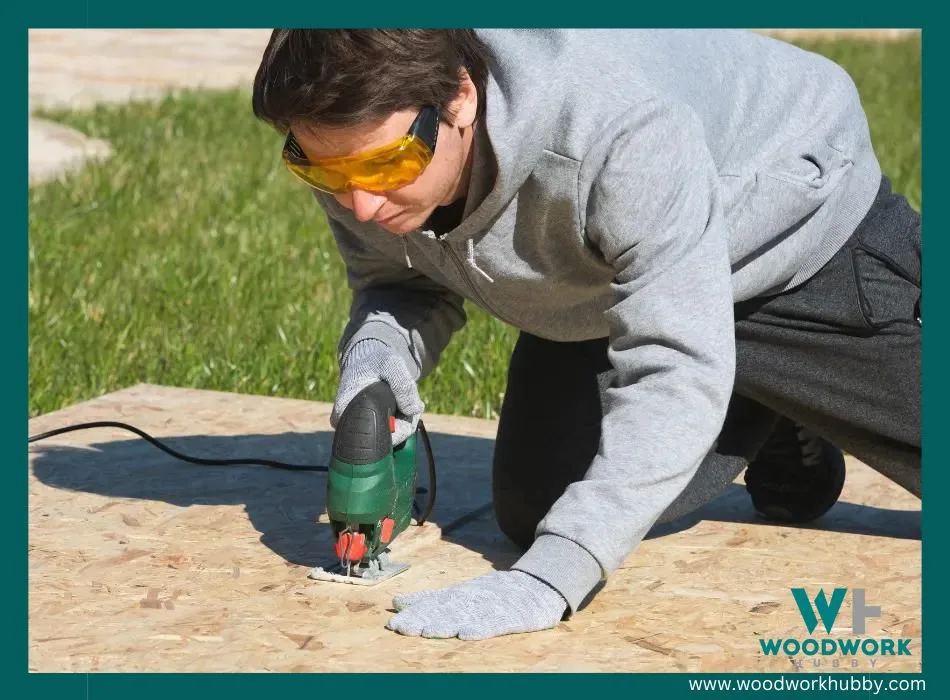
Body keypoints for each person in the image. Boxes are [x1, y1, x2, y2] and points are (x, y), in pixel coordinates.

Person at [251, 29, 921, 641]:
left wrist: (550, 583)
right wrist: (379, 351)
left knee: (579, 532)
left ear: (459, 98)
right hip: (624, 276)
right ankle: (766, 411)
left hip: (795, 239)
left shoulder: (613, 127)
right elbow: (401, 281)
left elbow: (674, 363)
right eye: (325, 173)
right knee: (542, 512)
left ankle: (776, 383)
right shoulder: (352, 138)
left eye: (388, 166)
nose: (361, 203)